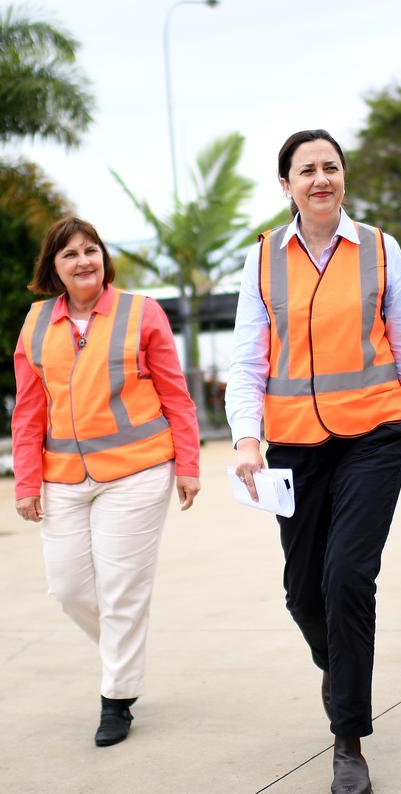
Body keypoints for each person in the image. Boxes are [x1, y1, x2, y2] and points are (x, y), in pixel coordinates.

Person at [226, 129, 401, 794]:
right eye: (307, 170)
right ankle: (341, 669)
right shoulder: (262, 260)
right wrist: (247, 437)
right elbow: (246, 359)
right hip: (294, 448)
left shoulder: (380, 251)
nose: (320, 178)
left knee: (349, 577)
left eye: (330, 166)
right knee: (303, 594)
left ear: (343, 178)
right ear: (286, 185)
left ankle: (348, 741)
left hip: (372, 439)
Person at [12, 217, 201, 747]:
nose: (83, 261)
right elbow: (28, 411)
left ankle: (116, 699)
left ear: (104, 257)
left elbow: (176, 395)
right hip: (64, 476)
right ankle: (126, 651)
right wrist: (27, 481)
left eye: (90, 250)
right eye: (69, 254)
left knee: (122, 591)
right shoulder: (35, 324)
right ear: (53, 267)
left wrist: (188, 464)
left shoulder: (142, 313)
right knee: (68, 587)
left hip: (137, 471)